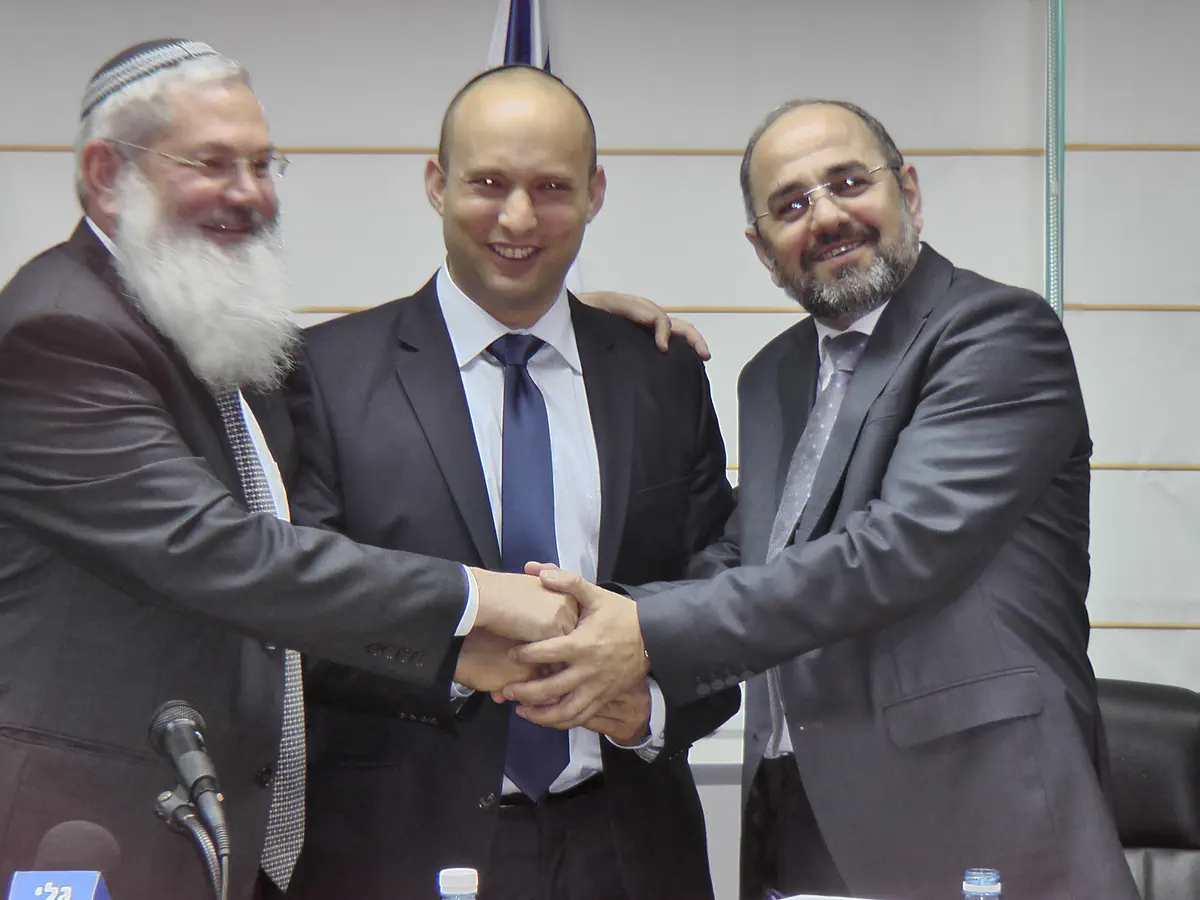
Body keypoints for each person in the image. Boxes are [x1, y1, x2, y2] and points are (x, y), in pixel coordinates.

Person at [0, 39, 647, 900]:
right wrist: (480, 598)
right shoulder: (59, 332)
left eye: (262, 163)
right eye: (211, 163)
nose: (248, 192)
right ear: (104, 175)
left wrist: (557, 324)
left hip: (201, 825)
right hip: (88, 836)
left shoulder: (194, 326)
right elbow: (220, 551)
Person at [502, 100, 1142, 900]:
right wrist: (584, 617)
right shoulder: (773, 375)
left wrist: (640, 629)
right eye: (792, 204)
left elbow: (895, 552)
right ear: (763, 249)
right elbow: (751, 557)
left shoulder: (996, 333)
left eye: (848, 182)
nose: (828, 216)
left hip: (976, 815)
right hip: (797, 815)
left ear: (908, 191)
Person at [283, 65, 738, 900]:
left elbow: (722, 589)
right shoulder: (323, 375)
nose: (519, 218)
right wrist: (457, 657)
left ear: (595, 193)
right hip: (396, 852)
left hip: (633, 848)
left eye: (552, 187)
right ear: (436, 183)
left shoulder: (662, 374)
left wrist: (650, 702)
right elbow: (292, 614)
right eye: (488, 183)